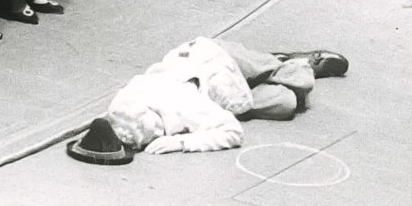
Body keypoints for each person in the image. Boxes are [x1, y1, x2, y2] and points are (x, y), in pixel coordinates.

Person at [70, 41, 346, 164]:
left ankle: (297, 64)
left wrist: (183, 142)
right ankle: (278, 67)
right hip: (209, 80)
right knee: (280, 102)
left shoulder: (181, 104)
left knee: (293, 93)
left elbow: (233, 132)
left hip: (215, 60)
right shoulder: (123, 106)